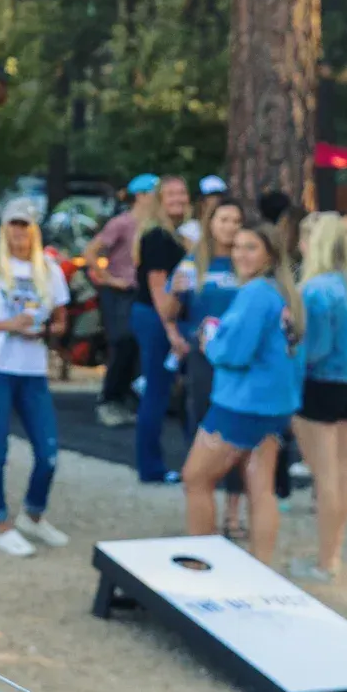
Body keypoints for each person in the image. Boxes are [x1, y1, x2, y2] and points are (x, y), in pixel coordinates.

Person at [180, 222, 304, 564]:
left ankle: (198, 564)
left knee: (196, 477)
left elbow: (234, 353)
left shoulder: (254, 294)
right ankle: (262, 564)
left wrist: (210, 343)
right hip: (275, 403)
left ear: (269, 253)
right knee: (260, 488)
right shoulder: (283, 291)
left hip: (242, 403)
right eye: (237, 246)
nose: (240, 254)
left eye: (251, 247)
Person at [0, 200, 71, 558]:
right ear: (5, 229)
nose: (19, 232)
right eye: (13, 225)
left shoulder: (50, 270)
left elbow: (61, 321)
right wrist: (7, 325)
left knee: (48, 451)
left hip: (33, 369)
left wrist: (45, 330)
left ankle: (33, 514)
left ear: (34, 230)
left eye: (24, 226)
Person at [291, 213, 347, 583]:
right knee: (342, 473)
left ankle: (325, 561)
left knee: (325, 478)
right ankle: (333, 553)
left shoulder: (316, 289)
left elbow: (315, 348)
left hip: (319, 385)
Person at [169, 198, 246, 535]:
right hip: (203, 358)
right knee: (202, 426)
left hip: (241, 360)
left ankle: (234, 512)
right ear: (211, 223)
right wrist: (175, 334)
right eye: (223, 219)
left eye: (236, 220)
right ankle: (204, 507)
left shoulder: (249, 261)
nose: (229, 226)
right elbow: (171, 309)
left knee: (238, 433)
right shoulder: (193, 263)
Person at [83, 174, 158, 427]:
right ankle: (108, 399)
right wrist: (110, 280)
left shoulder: (155, 224)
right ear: (142, 195)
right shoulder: (123, 223)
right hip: (120, 292)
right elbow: (91, 252)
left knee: (138, 345)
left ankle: (126, 398)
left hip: (142, 291)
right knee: (123, 342)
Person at [131, 175, 192, 484]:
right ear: (159, 199)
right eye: (171, 194)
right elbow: (158, 288)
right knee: (156, 390)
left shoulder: (178, 235)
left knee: (170, 390)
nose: (178, 198)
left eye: (182, 192)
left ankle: (183, 459)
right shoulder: (157, 237)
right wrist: (171, 331)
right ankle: (151, 466)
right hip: (157, 316)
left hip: (162, 317)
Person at [179, 174, 227, 247]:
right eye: (212, 197)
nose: (217, 201)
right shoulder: (188, 231)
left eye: (220, 197)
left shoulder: (229, 228)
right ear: (201, 201)